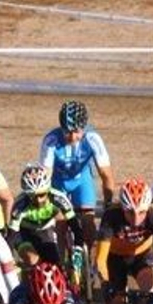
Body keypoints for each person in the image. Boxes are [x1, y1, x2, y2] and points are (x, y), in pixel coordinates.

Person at [40, 101, 116, 252]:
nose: (73, 137)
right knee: (60, 225)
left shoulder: (93, 138)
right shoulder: (51, 141)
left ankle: (92, 266)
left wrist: (108, 204)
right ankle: (62, 265)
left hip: (82, 180)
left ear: (84, 127)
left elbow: (106, 175)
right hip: (58, 182)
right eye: (67, 132)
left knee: (88, 224)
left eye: (77, 131)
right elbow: (45, 177)